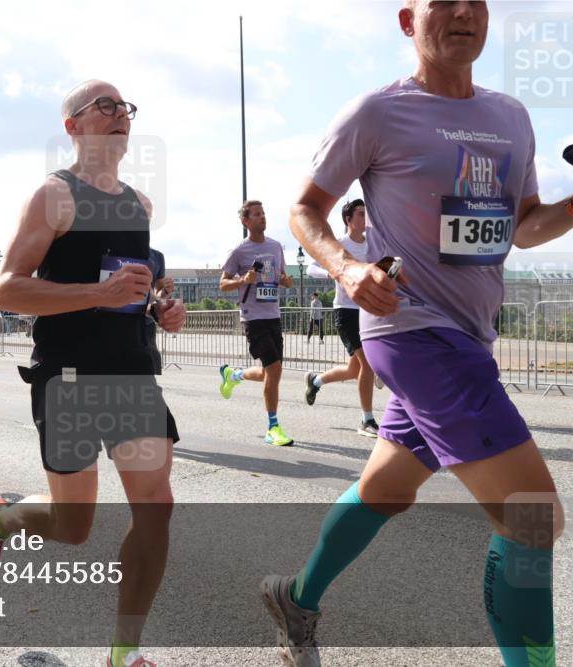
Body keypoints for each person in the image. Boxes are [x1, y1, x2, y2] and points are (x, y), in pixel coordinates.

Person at [261, 3, 569, 666]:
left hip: (470, 336)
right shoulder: (376, 113)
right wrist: (346, 265)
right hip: (411, 331)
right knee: (532, 517)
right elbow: (305, 208)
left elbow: (525, 225)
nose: (464, 11)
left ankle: (297, 597)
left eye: (477, 0)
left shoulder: (512, 117)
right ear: (408, 20)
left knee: (387, 489)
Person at [0, 80, 185, 667]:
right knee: (72, 526)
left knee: (156, 506)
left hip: (132, 375)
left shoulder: (139, 205)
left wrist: (162, 305)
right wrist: (98, 292)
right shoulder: (53, 196)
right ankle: (1, 516)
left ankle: (124, 651)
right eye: (105, 107)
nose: (120, 115)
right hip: (67, 377)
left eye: (126, 108)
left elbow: (137, 282)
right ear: (73, 126)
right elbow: (8, 290)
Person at [217, 200, 297, 446]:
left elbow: (283, 277)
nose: (263, 217)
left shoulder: (275, 247)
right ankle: (273, 427)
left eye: (264, 213)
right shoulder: (239, 251)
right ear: (245, 221)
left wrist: (286, 281)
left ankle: (233, 374)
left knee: (269, 372)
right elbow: (222, 283)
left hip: (273, 315)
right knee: (273, 370)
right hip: (253, 317)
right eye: (257, 214)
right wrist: (243, 279)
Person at [304, 199, 380, 437]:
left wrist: (391, 268)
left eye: (367, 214)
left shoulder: (373, 245)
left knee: (353, 370)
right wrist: (331, 270)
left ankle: (315, 381)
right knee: (367, 365)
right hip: (346, 312)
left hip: (369, 310)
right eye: (360, 214)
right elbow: (310, 268)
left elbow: (384, 265)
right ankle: (367, 420)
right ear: (349, 220)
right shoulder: (338, 244)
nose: (365, 218)